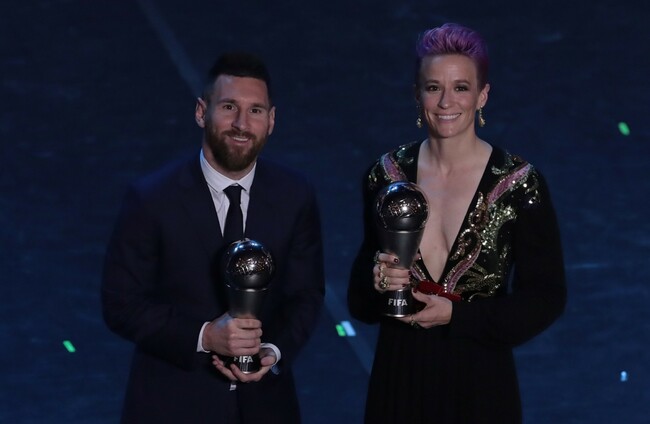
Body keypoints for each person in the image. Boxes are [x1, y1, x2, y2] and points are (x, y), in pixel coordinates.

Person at [348, 23, 566, 424]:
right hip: (399, 380)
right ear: (417, 94)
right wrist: (376, 282)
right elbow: (360, 303)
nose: (446, 102)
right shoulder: (386, 175)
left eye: (461, 88)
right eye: (433, 87)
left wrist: (457, 317)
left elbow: (546, 298)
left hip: (481, 384)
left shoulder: (519, 183)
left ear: (482, 95)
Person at [102, 52, 325, 423]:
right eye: (229, 107)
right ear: (201, 112)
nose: (242, 124)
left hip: (266, 408)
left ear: (271, 121)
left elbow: (306, 294)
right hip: (172, 407)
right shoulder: (152, 199)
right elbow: (121, 304)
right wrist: (205, 336)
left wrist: (271, 351)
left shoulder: (295, 195)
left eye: (255, 111)